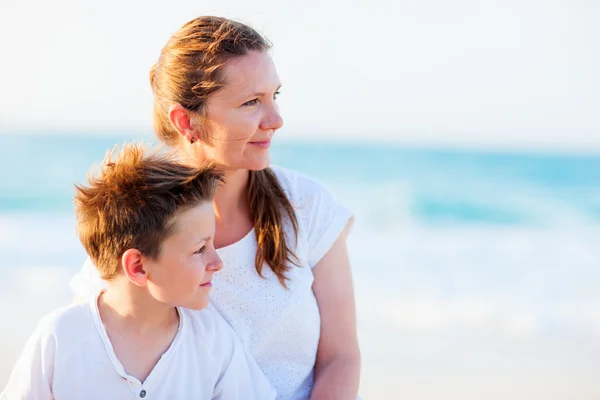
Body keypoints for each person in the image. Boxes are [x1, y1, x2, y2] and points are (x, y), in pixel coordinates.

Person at [71, 16, 360, 400]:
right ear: (186, 120)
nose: (275, 120)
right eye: (251, 102)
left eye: (274, 96)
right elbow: (94, 359)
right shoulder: (138, 221)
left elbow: (341, 358)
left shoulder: (306, 206)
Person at [1, 144, 276, 400]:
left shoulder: (214, 342)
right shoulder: (60, 338)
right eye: (200, 249)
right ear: (138, 267)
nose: (218, 262)